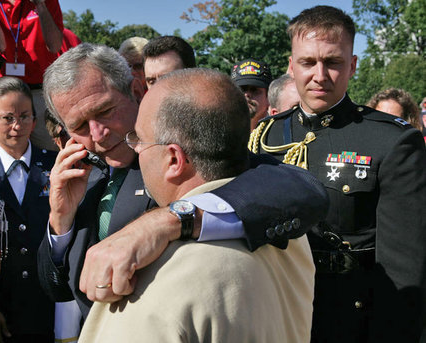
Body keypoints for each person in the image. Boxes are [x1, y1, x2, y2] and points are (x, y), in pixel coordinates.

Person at [37, 43, 328, 325]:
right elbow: (60, 291)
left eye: (104, 111)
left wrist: (171, 219)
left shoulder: (186, 149)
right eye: (78, 126)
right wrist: (60, 224)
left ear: (136, 91)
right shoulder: (79, 176)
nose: (97, 134)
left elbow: (301, 191)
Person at [249, 5, 426, 342]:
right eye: (307, 62)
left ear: (353, 66)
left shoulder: (391, 140)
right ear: (291, 65)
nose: (319, 75)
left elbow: (405, 271)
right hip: (273, 311)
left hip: (348, 316)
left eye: (332, 62)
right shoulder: (265, 135)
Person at [0, 77, 57, 343]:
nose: (17, 127)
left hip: (49, 305)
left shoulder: (55, 166)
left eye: (25, 117)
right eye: (7, 118)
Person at [0, 0, 64, 151]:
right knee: (11, 152)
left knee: (49, 152)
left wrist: (40, 5)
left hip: (40, 91)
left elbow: (55, 45)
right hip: (7, 93)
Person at [231, 58, 272, 129]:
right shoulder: (221, 134)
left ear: (268, 97)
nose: (247, 94)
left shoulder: (280, 133)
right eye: (241, 90)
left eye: (254, 90)